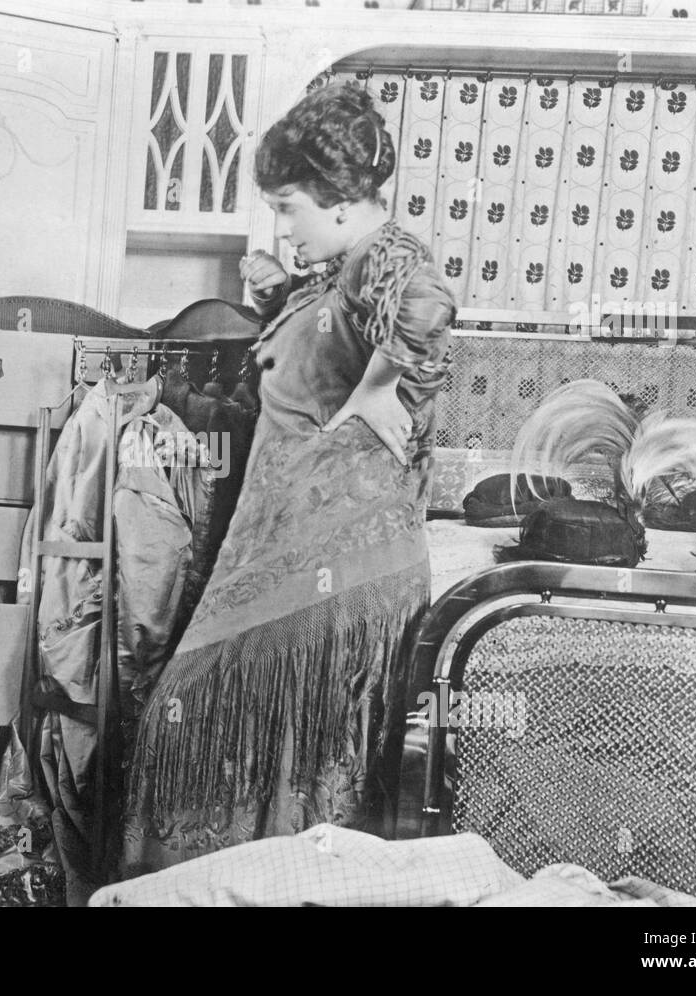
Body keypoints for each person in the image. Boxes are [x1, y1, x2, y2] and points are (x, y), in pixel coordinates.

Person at [121, 82, 456, 873]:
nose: (283, 224)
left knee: (194, 728)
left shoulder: (383, 255)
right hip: (290, 565)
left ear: (341, 204)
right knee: (216, 741)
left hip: (332, 578)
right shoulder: (331, 277)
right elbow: (275, 410)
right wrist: (171, 394)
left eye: (289, 206)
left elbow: (425, 301)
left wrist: (382, 386)